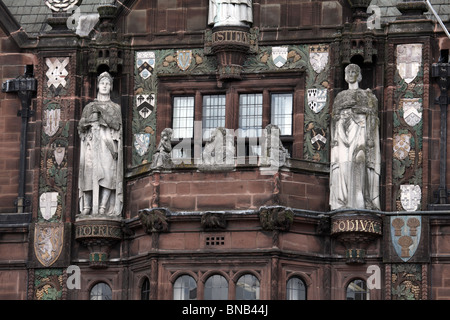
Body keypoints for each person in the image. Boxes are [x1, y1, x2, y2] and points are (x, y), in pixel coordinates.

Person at [329, 64, 381, 210]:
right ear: (345, 75)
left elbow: (372, 115)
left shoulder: (366, 95)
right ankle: (342, 202)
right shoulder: (340, 96)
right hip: (342, 133)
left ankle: (361, 201)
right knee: (342, 168)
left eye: (354, 72)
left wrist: (358, 110)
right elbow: (334, 118)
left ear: (359, 75)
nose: (351, 74)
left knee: (360, 161)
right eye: (348, 72)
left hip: (359, 130)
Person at [78, 72, 123, 217]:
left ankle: (103, 207)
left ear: (111, 87)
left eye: (107, 83)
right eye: (102, 83)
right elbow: (81, 125)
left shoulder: (115, 107)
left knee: (108, 175)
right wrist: (89, 121)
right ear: (98, 85)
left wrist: (102, 115)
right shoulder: (89, 107)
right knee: (89, 174)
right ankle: (87, 206)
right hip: (92, 144)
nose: (104, 86)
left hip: (107, 145)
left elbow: (116, 124)